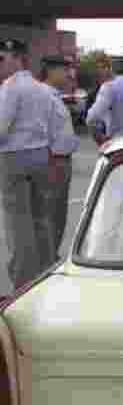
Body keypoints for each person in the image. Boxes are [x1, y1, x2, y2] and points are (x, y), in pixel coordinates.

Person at [0, 38, 60, 290]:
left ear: (17, 58)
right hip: (40, 155)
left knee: (17, 223)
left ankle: (23, 284)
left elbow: (1, 128)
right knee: (40, 219)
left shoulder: (10, 87)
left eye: (2, 58)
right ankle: (45, 275)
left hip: (14, 157)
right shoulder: (41, 88)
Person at [38, 55, 81, 254]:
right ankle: (46, 258)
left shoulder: (53, 95)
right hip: (52, 162)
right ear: (51, 71)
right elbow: (38, 131)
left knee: (57, 214)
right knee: (51, 214)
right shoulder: (43, 95)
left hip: (60, 161)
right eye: (65, 70)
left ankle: (50, 255)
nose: (68, 75)